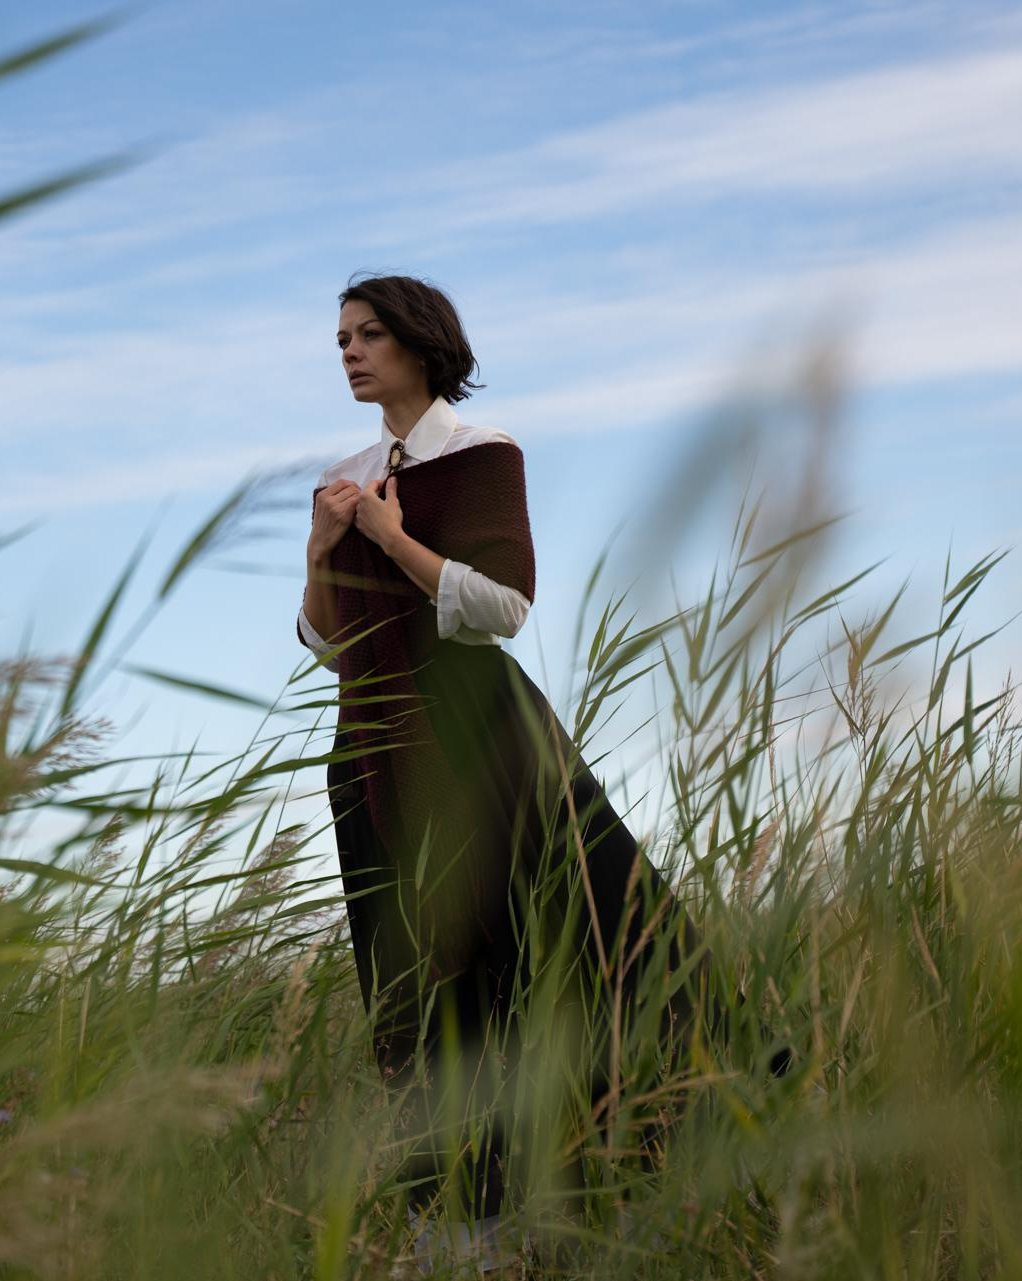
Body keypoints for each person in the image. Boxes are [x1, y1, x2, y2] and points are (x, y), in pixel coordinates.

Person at [298, 273, 712, 1264]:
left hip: (480, 734)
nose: (349, 351)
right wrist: (325, 544)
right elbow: (323, 639)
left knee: (541, 947)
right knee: (408, 978)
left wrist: (393, 538)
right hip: (372, 743)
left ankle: (582, 1190)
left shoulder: (482, 455)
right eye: (341, 337)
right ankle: (453, 1221)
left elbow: (504, 608)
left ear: (422, 345)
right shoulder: (346, 472)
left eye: (369, 335)